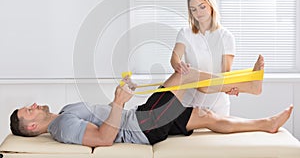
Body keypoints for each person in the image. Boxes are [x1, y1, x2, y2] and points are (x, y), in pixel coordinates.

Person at [9, 55, 293, 147]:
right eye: (28, 111)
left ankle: (264, 119)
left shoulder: (64, 112)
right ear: (32, 127)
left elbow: (106, 118)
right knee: (189, 78)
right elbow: (104, 138)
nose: (33, 105)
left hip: (139, 116)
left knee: (202, 110)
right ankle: (249, 88)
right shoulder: (62, 128)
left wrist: (121, 96)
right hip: (142, 127)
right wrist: (119, 104)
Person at [171, 0, 236, 115]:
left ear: (211, 6)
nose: (198, 13)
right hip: (190, 101)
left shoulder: (226, 37)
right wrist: (178, 66)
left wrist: (229, 87)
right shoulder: (185, 33)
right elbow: (175, 58)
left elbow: (226, 72)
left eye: (202, 7)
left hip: (217, 102)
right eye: (193, 9)